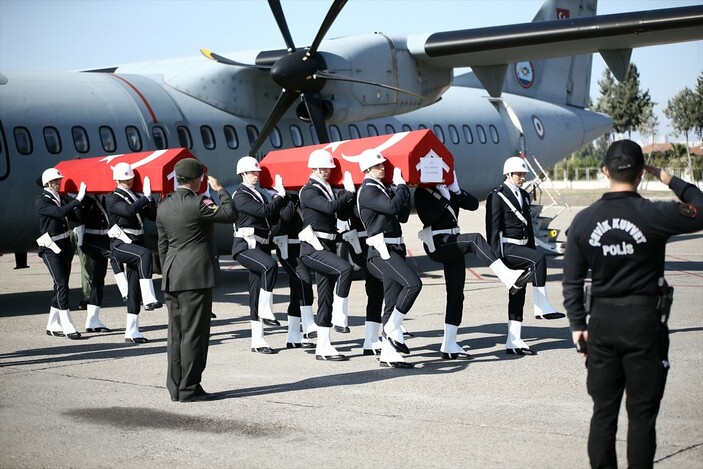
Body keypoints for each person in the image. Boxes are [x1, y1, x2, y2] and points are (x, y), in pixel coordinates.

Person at [562, 139, 703, 468]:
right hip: (644, 323)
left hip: (602, 324)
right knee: (641, 416)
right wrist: (669, 180)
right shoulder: (655, 213)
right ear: (641, 173)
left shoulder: (583, 221)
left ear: (604, 171)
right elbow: (700, 207)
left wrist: (577, 326)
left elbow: (571, 280)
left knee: (603, 413)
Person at [415, 171, 533, 360]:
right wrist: (444, 199)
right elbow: (428, 218)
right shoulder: (423, 192)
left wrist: (456, 191)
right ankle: (508, 276)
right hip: (438, 242)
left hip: (454, 241)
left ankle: (449, 344)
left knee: (456, 294)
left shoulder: (449, 190)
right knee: (475, 239)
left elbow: (473, 205)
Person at [157, 158, 236, 403]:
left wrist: (168, 271)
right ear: (197, 179)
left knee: (176, 334)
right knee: (194, 335)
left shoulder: (164, 205)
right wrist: (221, 190)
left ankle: (175, 387)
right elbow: (230, 214)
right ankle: (190, 388)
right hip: (195, 277)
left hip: (172, 275)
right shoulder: (199, 202)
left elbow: (162, 246)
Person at [486, 156, 564, 355]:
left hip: (522, 247)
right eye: (519, 174)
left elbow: (528, 227)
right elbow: (492, 230)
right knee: (540, 258)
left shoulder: (524, 195)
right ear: (508, 174)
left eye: (523, 174)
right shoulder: (497, 195)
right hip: (507, 249)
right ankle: (541, 306)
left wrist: (530, 248)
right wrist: (497, 261)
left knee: (517, 293)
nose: (522, 177)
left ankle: (514, 339)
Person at [357, 149, 421, 368]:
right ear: (367, 169)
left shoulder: (381, 188)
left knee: (391, 302)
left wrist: (400, 190)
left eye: (383, 164)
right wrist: (401, 188)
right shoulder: (368, 190)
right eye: (377, 166)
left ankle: (388, 353)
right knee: (413, 284)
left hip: (394, 248)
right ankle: (392, 329)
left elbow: (401, 215)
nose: (382, 168)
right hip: (380, 252)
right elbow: (393, 207)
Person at [298, 149, 355, 361]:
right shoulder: (309, 190)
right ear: (314, 168)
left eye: (329, 168)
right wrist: (347, 194)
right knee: (345, 268)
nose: (327, 172)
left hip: (328, 245)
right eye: (324, 168)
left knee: (325, 297)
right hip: (312, 248)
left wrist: (348, 199)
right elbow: (329, 208)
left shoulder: (328, 189)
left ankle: (323, 345)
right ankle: (340, 318)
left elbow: (341, 214)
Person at [232, 156, 287, 354]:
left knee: (255, 291)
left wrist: (277, 198)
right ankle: (266, 311)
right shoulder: (240, 195)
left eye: (257, 172)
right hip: (245, 246)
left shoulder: (261, 193)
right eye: (252, 172)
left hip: (261, 246)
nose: (256, 175)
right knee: (270, 266)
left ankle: (258, 340)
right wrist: (278, 197)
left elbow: (271, 217)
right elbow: (264, 212)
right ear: (243, 174)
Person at [106, 162, 162, 344]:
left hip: (136, 241)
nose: (128, 181)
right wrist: (145, 198)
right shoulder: (112, 197)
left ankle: (132, 331)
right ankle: (149, 298)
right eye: (124, 179)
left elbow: (153, 216)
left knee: (133, 289)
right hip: (120, 244)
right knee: (145, 254)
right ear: (117, 179)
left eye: (129, 177)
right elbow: (128, 211)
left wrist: (152, 199)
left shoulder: (137, 195)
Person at [35, 167, 87, 339]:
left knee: (60, 286)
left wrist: (78, 202)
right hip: (50, 248)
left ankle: (52, 324)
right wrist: (77, 199)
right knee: (62, 285)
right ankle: (67, 325)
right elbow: (59, 213)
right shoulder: (42, 201)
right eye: (56, 181)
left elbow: (74, 215)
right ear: (47, 183)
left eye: (59, 180)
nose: (59, 183)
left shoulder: (61, 198)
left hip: (64, 245)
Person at [79, 194, 130, 333]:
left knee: (98, 279)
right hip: (90, 239)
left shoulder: (106, 197)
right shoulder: (85, 199)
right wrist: (80, 199)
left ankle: (92, 320)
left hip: (104, 238)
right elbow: (78, 218)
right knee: (115, 254)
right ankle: (126, 292)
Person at [272, 192, 317, 348]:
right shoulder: (280, 198)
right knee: (304, 281)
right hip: (287, 249)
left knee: (296, 291)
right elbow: (285, 217)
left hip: (302, 248)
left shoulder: (304, 196)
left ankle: (293, 336)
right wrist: (291, 199)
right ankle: (308, 324)